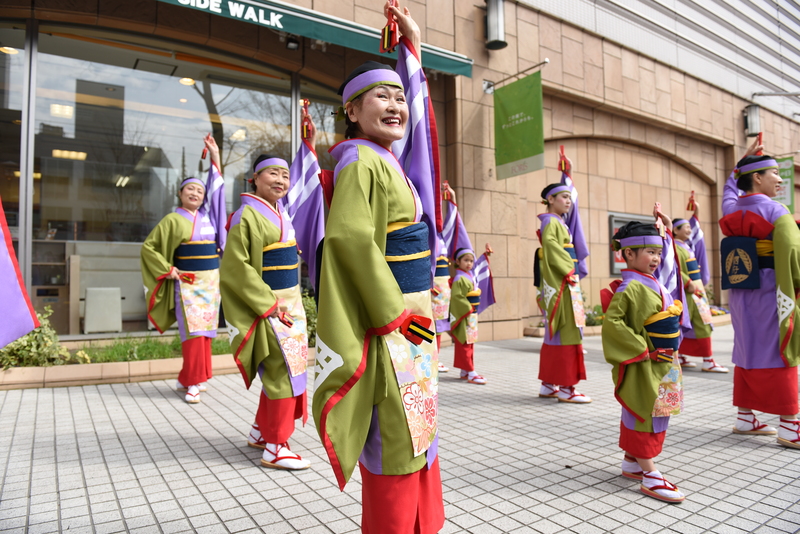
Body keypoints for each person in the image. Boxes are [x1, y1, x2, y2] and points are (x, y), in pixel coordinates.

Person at [312, 2, 445, 532]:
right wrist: (393, 315)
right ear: (351, 110)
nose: (395, 106)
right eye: (379, 97)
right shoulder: (360, 160)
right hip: (394, 319)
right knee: (396, 431)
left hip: (412, 317)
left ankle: (416, 524)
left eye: (399, 96)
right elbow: (348, 237)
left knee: (417, 423)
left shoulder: (386, 161)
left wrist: (413, 46)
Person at [220, 111, 318, 470]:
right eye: (272, 173)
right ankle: (276, 447)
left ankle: (262, 431)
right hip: (271, 304)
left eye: (285, 174)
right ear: (254, 180)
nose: (281, 179)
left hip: (289, 302)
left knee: (287, 368)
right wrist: (267, 303)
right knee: (281, 370)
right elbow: (236, 267)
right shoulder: (246, 216)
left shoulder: (281, 213)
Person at [601, 211, 687, 503]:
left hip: (662, 361)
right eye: (650, 252)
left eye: (659, 252)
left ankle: (631, 462)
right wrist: (642, 349)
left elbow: (669, 271)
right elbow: (612, 324)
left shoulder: (649, 281)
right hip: (645, 361)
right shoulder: (630, 287)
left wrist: (666, 233)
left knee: (657, 410)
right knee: (645, 413)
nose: (656, 258)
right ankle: (650, 474)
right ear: (628, 253)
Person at [720, 139, 800, 449]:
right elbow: (793, 253)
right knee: (780, 350)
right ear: (757, 177)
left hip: (741, 289)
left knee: (748, 347)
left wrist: (741, 160)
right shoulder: (775, 210)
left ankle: (745, 416)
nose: (780, 179)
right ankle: (791, 427)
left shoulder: (732, 208)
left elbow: (730, 189)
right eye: (774, 172)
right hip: (770, 289)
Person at [141, 134, 226, 404]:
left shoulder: (208, 218)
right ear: (180, 193)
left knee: (206, 334)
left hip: (211, 283)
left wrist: (215, 156)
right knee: (192, 335)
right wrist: (169, 269)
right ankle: (193, 381)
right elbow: (149, 248)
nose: (195, 194)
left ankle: (187, 377)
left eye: (200, 191)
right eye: (190, 190)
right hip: (188, 283)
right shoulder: (172, 220)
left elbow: (218, 190)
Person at [536, 183, 591, 403]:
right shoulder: (551, 222)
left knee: (556, 334)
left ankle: (549, 384)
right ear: (550, 199)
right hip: (563, 283)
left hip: (564, 281)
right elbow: (551, 247)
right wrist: (568, 270)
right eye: (564, 197)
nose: (568, 201)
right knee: (568, 331)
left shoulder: (558, 222)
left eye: (570, 197)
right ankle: (567, 388)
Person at [672, 205, 728, 373]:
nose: (690, 230)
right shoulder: (675, 247)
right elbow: (675, 269)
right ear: (675, 230)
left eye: (690, 227)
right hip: (690, 291)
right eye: (686, 227)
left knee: (691, 324)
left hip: (694, 290)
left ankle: (682, 356)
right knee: (701, 324)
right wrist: (689, 283)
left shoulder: (685, 246)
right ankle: (708, 360)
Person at [449, 246, 491, 384]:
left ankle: (465, 371)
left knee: (469, 342)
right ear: (458, 262)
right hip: (465, 314)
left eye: (471, 261)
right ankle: (471, 372)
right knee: (465, 343)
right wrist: (469, 307)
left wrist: (486, 255)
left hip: (470, 315)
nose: (469, 264)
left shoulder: (468, 276)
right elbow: (457, 297)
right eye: (466, 260)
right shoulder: (459, 279)